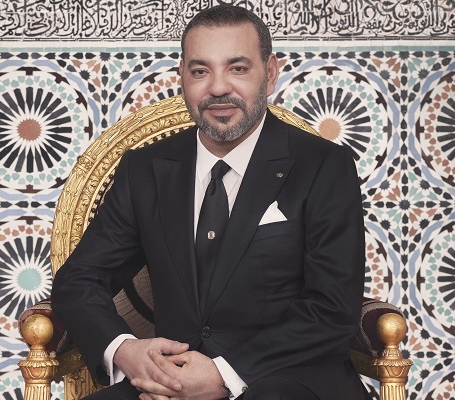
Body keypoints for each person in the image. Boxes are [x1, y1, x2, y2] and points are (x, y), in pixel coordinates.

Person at [52, 5, 369, 400]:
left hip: (287, 378)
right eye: (201, 71)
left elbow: (333, 306)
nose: (218, 88)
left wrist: (223, 373)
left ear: (270, 72)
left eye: (238, 68)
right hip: (171, 383)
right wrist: (125, 351)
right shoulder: (145, 169)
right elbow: (79, 279)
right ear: (182, 76)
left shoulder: (324, 165)